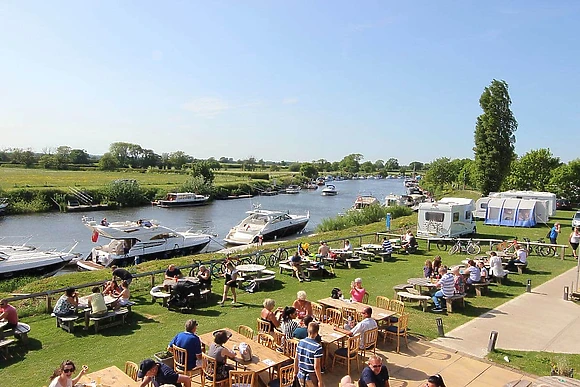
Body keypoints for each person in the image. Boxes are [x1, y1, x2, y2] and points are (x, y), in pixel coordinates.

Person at [294, 322, 323, 387]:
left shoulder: (300, 342)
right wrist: (320, 381)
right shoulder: (317, 347)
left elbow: (296, 359)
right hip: (311, 377)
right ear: (317, 333)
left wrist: (295, 372)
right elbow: (316, 366)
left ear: (307, 330)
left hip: (301, 375)